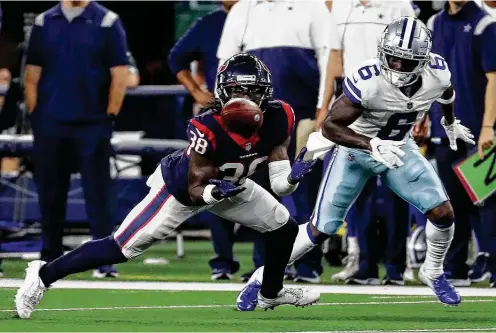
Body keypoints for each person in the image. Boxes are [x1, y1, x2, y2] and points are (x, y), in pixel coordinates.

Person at [15, 53, 320, 319]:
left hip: (232, 186)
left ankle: (270, 292)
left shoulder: (281, 115)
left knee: (284, 227)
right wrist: (216, 192)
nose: (246, 97)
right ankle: (42, 274)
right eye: (238, 90)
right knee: (123, 246)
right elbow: (195, 188)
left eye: (253, 91)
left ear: (265, 92)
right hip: (181, 189)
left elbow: (280, 185)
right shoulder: (207, 125)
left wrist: (292, 176)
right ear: (223, 92)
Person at [237, 17, 475, 311]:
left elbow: (446, 93)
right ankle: (261, 279)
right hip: (354, 152)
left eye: (406, 62)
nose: (398, 67)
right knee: (319, 230)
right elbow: (330, 128)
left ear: (423, 61)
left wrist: (449, 122)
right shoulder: (369, 80)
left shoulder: (436, 73)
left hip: (400, 148)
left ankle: (434, 271)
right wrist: (372, 143)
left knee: (443, 212)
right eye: (393, 59)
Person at [216, 0, 331, 283]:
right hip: (255, 119)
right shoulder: (243, 9)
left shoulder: (312, 6)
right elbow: (225, 64)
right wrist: (223, 112)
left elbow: (329, 56)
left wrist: (323, 106)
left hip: (302, 111)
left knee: (303, 187)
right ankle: (264, 265)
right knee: (259, 191)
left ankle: (307, 265)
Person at [24, 0, 129, 278]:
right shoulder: (44, 22)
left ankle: (103, 261)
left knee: (98, 193)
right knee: (50, 191)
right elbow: (32, 74)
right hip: (50, 122)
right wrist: (36, 115)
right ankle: (49, 258)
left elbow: (120, 73)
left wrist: (109, 116)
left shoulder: (107, 20)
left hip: (93, 123)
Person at [317, 0, 416, 285]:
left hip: (393, 107)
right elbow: (335, 58)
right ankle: (364, 266)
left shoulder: (400, 5)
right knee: (358, 190)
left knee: (397, 189)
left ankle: (397, 267)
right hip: (355, 110)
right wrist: (325, 106)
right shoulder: (340, 6)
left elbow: (418, 62)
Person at [168, 0, 267, 281]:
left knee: (264, 188)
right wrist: (198, 92)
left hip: (259, 117)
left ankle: (261, 263)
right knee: (215, 187)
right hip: (221, 117)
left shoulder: (266, 17)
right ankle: (222, 261)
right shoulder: (209, 23)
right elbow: (176, 58)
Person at [427, 0, 496, 286]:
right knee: (451, 202)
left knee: (487, 201)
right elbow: (427, 77)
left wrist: (488, 127)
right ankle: (455, 267)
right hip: (443, 129)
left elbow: (494, 80)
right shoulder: (433, 25)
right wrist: (421, 115)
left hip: (477, 130)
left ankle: (492, 262)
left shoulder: (485, 25)